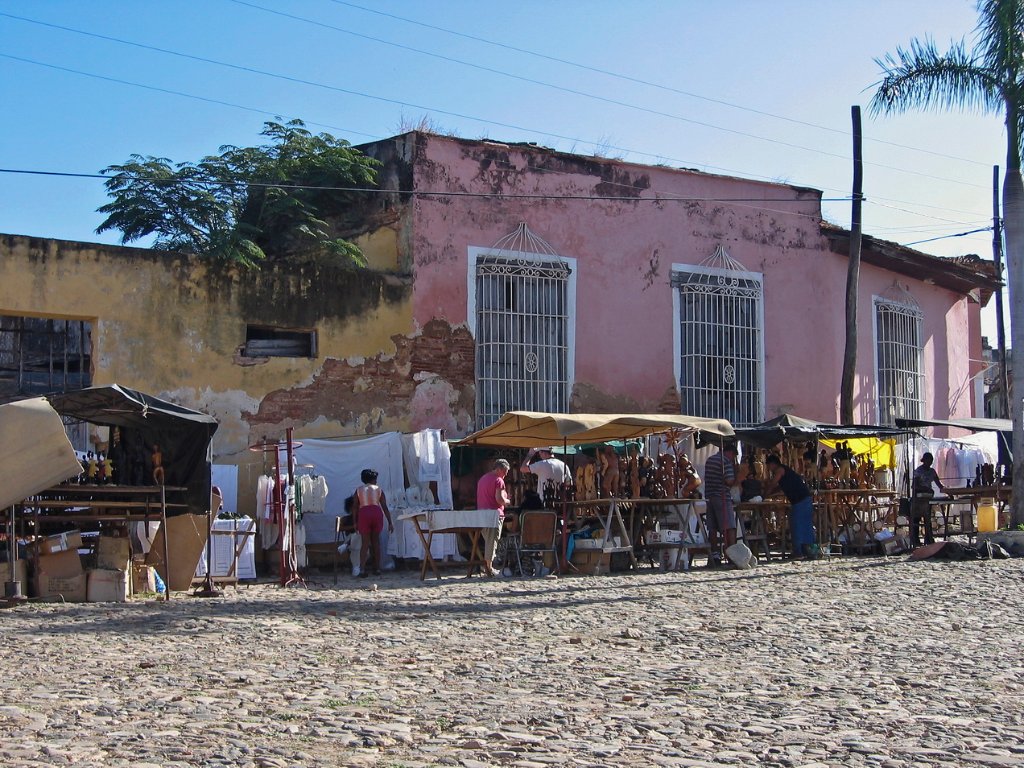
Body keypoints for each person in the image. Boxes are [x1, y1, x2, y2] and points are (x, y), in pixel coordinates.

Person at [763, 454, 815, 559]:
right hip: (803, 499)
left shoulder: (780, 470)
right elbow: (779, 487)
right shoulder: (784, 472)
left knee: (797, 526)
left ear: (773, 464)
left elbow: (773, 484)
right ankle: (807, 551)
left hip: (801, 500)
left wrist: (765, 494)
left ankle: (799, 552)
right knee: (803, 525)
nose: (768, 468)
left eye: (768, 465)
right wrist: (771, 493)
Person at [353, 468, 394, 578]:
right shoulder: (379, 489)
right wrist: (390, 522)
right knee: (376, 542)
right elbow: (384, 507)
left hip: (364, 514)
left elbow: (355, 508)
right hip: (376, 513)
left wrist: (354, 522)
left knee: (365, 543)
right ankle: (377, 568)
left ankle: (362, 569)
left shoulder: (358, 490)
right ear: (373, 479)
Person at [703, 442, 739, 561]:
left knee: (712, 528)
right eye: (734, 457)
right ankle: (732, 555)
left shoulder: (710, 460)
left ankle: (714, 554)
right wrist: (738, 477)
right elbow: (729, 481)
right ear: (731, 453)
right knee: (730, 527)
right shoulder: (726, 462)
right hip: (722, 496)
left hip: (710, 496)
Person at [477, 458, 511, 575]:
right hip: (494, 515)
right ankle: (489, 568)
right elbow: (499, 499)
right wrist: (508, 501)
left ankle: (486, 566)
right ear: (499, 469)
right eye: (505, 471)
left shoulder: (483, 479)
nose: (506, 474)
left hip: (482, 513)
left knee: (487, 540)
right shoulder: (498, 480)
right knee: (492, 541)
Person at [911, 452, 944, 547]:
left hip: (928, 498)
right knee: (916, 520)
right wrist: (925, 488)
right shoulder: (918, 471)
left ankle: (929, 539)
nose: (929, 463)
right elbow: (914, 486)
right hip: (918, 498)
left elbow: (939, 484)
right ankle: (915, 540)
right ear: (924, 461)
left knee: (927, 519)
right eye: (928, 461)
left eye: (931, 461)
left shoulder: (932, 471)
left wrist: (947, 491)